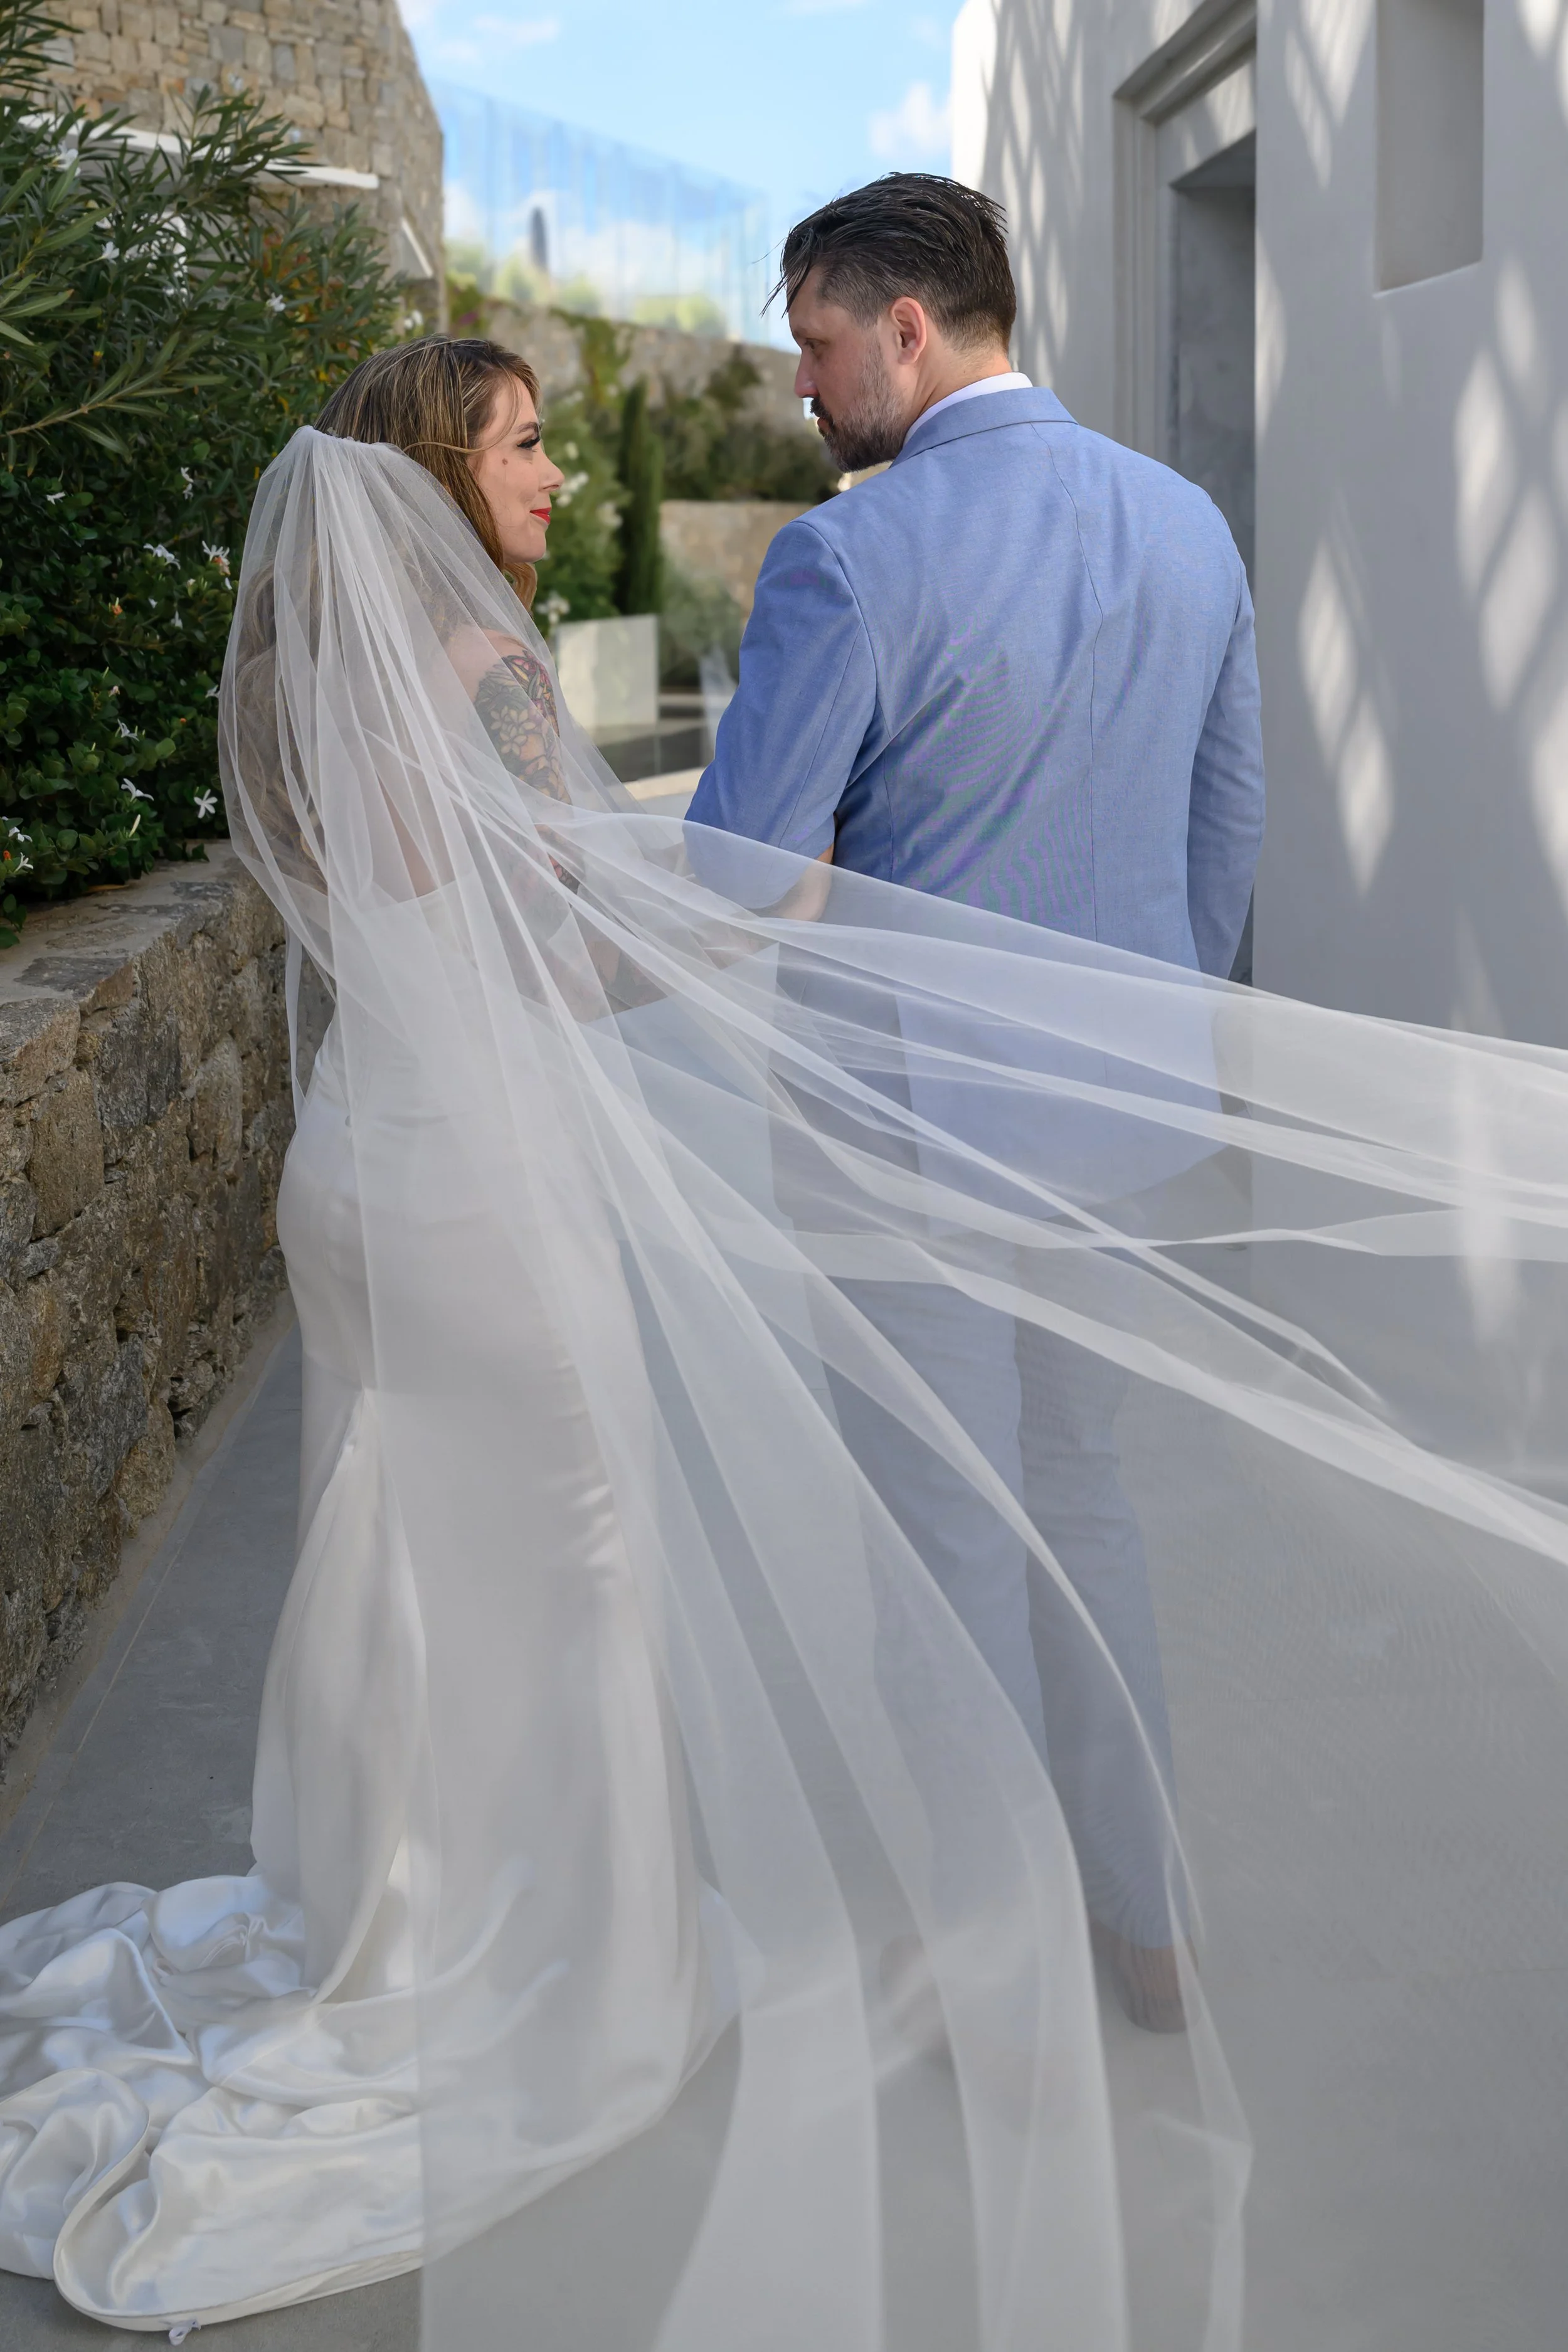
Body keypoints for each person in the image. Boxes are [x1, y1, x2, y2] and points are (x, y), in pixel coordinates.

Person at [1, 333, 1567, 2352]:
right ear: (435, 478)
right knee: (568, 1557)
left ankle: (390, 1912)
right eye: (528, 444)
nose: (559, 476)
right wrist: (757, 915)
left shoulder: (313, 688)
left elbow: (422, 927)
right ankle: (564, 1955)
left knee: (394, 1534)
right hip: (487, 1179)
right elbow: (564, 969)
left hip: (363, 1173)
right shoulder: (476, 682)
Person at [688, 174, 1264, 2030]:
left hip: (904, 1137)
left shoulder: (846, 555)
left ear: (908, 329)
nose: (802, 384)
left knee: (942, 1549)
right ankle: (1144, 1931)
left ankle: (1002, 1965)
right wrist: (1139, 1023)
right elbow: (1224, 830)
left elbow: (726, 877)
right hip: (1117, 1118)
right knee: (1082, 1507)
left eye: (815, 342)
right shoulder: (1187, 526)